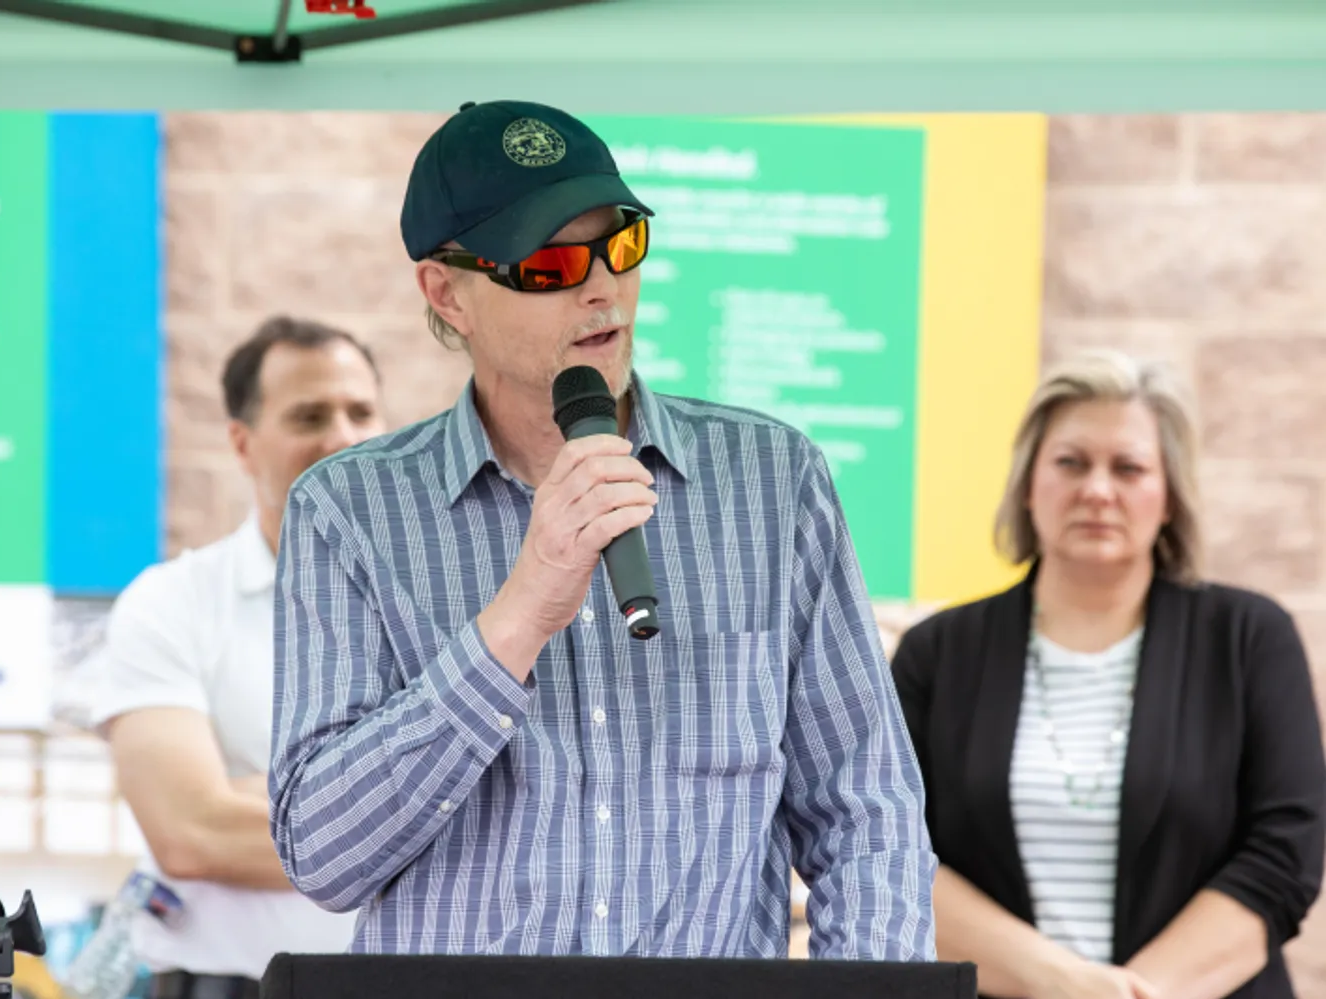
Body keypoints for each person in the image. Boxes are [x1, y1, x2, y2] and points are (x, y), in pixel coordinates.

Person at [268, 99, 937, 959]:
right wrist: (518, 616)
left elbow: (867, 813)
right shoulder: (347, 512)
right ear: (447, 292)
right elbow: (323, 856)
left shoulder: (775, 482)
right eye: (548, 262)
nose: (599, 287)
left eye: (620, 243)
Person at [891, 350, 1326, 999]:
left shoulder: (1247, 637)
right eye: (1070, 462)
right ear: (1028, 482)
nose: (1097, 489)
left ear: (1170, 494)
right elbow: (886, 849)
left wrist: (1135, 994)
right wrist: (1063, 984)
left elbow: (1286, 853)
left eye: (1128, 467)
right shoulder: (938, 652)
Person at [87, 316, 388, 998]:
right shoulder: (171, 604)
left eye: (361, 411)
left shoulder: (444, 607)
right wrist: (401, 803)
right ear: (242, 443)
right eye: (310, 414)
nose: (343, 436)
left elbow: (498, 821)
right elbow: (191, 834)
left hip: (399, 981)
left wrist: (268, 792)